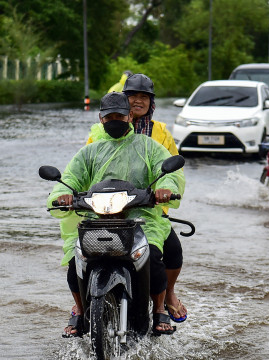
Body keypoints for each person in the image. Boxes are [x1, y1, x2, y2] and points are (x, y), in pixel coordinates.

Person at [49, 92, 185, 337]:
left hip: (140, 218)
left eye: (119, 116)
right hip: (97, 219)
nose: (114, 120)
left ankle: (158, 309)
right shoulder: (89, 152)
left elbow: (167, 173)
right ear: (101, 119)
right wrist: (63, 194)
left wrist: (166, 189)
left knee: (153, 258)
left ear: (130, 116)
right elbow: (69, 178)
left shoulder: (148, 146)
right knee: (74, 264)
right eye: (109, 116)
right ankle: (79, 311)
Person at [89, 73, 187, 323]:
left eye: (145, 97)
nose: (138, 101)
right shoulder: (101, 133)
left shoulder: (160, 134)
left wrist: (164, 191)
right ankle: (81, 305)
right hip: (106, 206)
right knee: (79, 254)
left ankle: (166, 298)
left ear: (151, 102)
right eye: (133, 96)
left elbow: (171, 168)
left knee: (171, 252)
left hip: (148, 206)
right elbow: (84, 167)